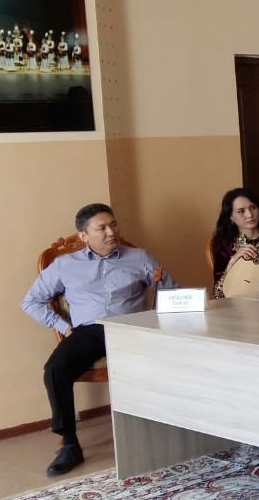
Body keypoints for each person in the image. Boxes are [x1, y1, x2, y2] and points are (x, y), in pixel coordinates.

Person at [21, 203, 178, 477]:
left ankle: (168, 430)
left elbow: (172, 291)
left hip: (131, 328)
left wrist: (159, 312)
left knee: (172, 358)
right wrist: (63, 327)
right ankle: (70, 444)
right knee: (55, 369)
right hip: (89, 331)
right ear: (83, 236)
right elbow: (31, 301)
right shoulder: (65, 265)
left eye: (113, 224)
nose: (111, 232)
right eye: (101, 228)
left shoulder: (139, 257)